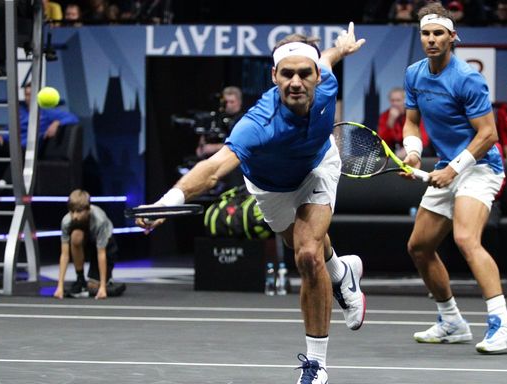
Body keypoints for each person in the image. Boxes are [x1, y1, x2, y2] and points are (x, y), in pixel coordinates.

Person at [137, 23, 366, 384]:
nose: (295, 82)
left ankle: (316, 365)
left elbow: (329, 57)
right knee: (305, 247)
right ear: (274, 75)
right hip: (268, 186)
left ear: (316, 75)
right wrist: (166, 203)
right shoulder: (258, 123)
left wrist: (341, 48)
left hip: (318, 168)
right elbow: (212, 169)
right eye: (286, 74)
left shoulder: (325, 84)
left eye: (304, 74)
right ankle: (341, 272)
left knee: (307, 255)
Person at [400, 2, 507, 354]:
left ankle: (503, 322)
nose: (431, 40)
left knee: (466, 238)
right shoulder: (414, 74)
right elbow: (411, 121)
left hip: (481, 166)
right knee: (419, 247)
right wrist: (412, 151)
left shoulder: (467, 78)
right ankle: (451, 321)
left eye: (439, 33)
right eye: (426, 33)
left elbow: (488, 135)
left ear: (453, 37)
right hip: (445, 165)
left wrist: (454, 169)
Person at [0, 82, 79, 184]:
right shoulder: (21, 112)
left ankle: (3, 183)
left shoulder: (46, 112)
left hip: (29, 148)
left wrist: (57, 122)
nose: (28, 98)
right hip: (13, 145)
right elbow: (11, 128)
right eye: (26, 95)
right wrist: (2, 137)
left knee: (18, 152)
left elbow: (73, 118)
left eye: (31, 95)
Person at [53, 189, 126, 300]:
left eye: (79, 211)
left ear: (87, 209)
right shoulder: (66, 221)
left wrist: (102, 287)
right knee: (76, 236)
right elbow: (64, 255)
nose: (75, 216)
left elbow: (101, 253)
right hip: (85, 244)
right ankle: (80, 279)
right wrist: (60, 287)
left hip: (106, 245)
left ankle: (106, 283)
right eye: (72, 211)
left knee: (93, 287)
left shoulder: (99, 220)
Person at [377, 87, 430, 158]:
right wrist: (391, 121)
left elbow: (424, 138)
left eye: (398, 100)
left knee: (425, 150)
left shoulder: (415, 113)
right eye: (392, 101)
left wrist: (408, 149)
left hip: (412, 148)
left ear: (405, 101)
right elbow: (383, 140)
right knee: (381, 151)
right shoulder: (385, 116)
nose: (395, 103)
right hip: (394, 149)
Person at [195, 86, 245, 160]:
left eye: (232, 102)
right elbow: (204, 138)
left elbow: (240, 145)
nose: (228, 105)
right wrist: (201, 149)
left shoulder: (244, 121)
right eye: (225, 102)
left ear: (239, 102)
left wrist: (214, 148)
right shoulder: (216, 117)